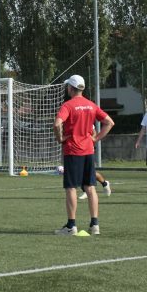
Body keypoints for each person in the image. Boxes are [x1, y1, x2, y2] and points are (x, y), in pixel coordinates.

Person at [53, 75, 115, 236]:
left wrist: (60, 138)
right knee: (90, 187)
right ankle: (95, 225)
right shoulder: (91, 105)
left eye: (68, 86)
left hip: (73, 151)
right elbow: (110, 122)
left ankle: (71, 226)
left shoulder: (68, 105)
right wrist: (96, 138)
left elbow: (57, 123)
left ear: (71, 88)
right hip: (88, 150)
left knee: (71, 188)